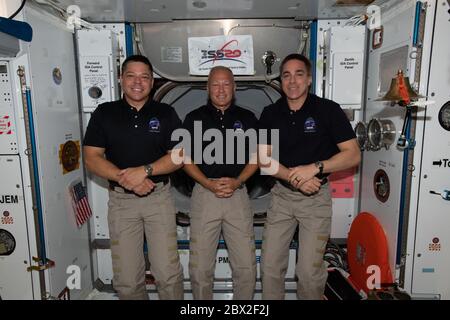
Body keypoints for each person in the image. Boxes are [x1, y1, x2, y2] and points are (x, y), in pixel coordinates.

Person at [258, 53, 361, 300]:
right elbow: (263, 160)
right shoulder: (270, 113)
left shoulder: (328, 110)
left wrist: (314, 168)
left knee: (308, 273)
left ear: (309, 79)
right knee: (270, 267)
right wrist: (296, 178)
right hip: (282, 197)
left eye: (299, 74)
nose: (292, 81)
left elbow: (353, 155)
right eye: (286, 75)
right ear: (281, 81)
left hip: (316, 199)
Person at [83, 55, 184, 300]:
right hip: (122, 202)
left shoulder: (166, 113)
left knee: (168, 274)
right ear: (120, 79)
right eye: (131, 75)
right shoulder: (104, 113)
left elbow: (179, 155)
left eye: (144, 77)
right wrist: (125, 178)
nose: (137, 82)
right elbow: (91, 156)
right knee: (127, 280)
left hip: (158, 200)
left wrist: (145, 171)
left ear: (152, 82)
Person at [182, 66, 258, 299]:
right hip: (205, 195)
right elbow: (184, 158)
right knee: (200, 267)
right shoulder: (193, 118)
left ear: (234, 88)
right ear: (207, 88)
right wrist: (207, 183)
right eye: (216, 84)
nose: (221, 89)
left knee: (246, 266)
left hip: (238, 195)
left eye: (226, 84)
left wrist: (238, 181)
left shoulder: (248, 118)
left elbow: (259, 157)